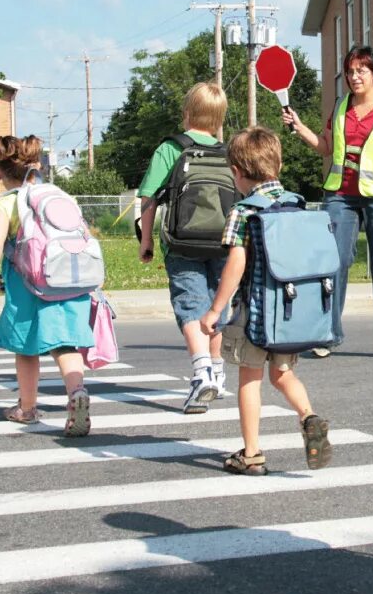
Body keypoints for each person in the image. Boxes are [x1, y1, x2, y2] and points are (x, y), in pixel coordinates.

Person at [198, 126, 332, 476]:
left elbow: (236, 263)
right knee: (283, 373)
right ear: (279, 164)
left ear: (237, 172)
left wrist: (216, 308)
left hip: (254, 313)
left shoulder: (244, 211)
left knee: (250, 379)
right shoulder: (296, 204)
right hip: (289, 310)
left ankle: (252, 453)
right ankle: (308, 416)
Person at [282, 45, 373, 360]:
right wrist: (299, 127)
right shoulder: (339, 107)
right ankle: (327, 335)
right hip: (341, 195)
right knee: (333, 263)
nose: (354, 76)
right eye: (350, 71)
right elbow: (325, 149)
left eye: (361, 70)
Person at [0, 135, 93, 437]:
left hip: (27, 283)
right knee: (65, 344)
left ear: (0, 172)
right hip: (67, 280)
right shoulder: (57, 194)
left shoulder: (7, 202)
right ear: (37, 166)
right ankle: (76, 392)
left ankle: (27, 408)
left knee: (26, 347)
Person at [135, 82, 231, 414]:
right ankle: (217, 372)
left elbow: (148, 198)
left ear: (186, 113)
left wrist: (146, 241)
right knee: (217, 306)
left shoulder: (171, 149)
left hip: (181, 242)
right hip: (223, 243)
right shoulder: (228, 152)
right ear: (219, 120)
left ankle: (202, 370)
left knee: (190, 304)